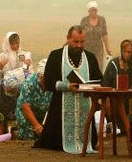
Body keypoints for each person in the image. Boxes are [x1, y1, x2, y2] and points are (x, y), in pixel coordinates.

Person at [35, 25, 102, 154]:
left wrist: (85, 87)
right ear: (68, 39)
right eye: (76, 42)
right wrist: (67, 86)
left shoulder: (90, 58)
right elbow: (48, 82)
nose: (79, 45)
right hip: (60, 106)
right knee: (54, 143)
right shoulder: (55, 56)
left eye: (82, 42)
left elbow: (99, 80)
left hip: (84, 105)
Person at [101, 39, 132, 133]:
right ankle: (115, 126)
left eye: (129, 52)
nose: (126, 54)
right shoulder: (113, 64)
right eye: (124, 51)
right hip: (116, 103)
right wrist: (108, 108)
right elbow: (105, 87)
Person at [16, 59, 52, 141]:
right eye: (44, 77)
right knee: (29, 138)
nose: (46, 79)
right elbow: (25, 106)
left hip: (43, 116)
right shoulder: (30, 83)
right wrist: (36, 125)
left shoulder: (52, 83)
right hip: (27, 116)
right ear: (39, 75)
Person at [80, 1, 112, 65]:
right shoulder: (84, 20)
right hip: (87, 47)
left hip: (98, 48)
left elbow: (104, 34)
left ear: (97, 10)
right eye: (91, 10)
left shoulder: (102, 20)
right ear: (88, 11)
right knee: (87, 65)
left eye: (95, 10)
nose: (93, 12)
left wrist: (108, 49)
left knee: (98, 65)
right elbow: (81, 34)